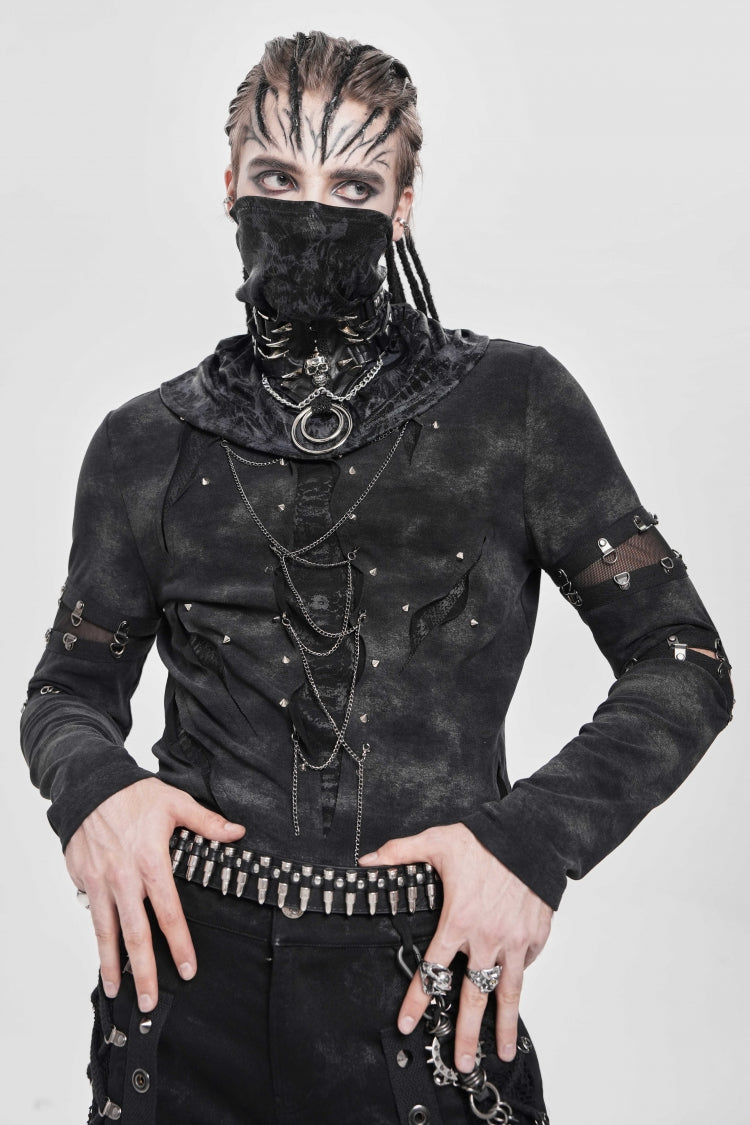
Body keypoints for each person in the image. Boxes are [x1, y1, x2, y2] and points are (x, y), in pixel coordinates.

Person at [20, 29, 734, 1125]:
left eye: (352, 186)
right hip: (182, 1001)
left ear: (402, 205)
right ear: (228, 185)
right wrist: (97, 794)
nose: (311, 213)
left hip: (427, 997)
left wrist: (530, 843)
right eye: (278, 177)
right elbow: (68, 689)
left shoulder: (515, 406)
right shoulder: (145, 443)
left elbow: (682, 661)